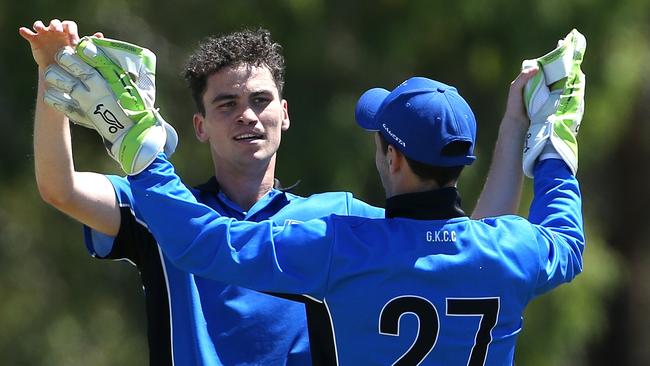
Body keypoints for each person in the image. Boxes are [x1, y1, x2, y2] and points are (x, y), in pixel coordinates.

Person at [20, 19, 523, 365]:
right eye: (226, 104)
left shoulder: (339, 218)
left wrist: (516, 125)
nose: (246, 114)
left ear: (285, 114)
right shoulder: (164, 206)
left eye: (261, 100)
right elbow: (58, 187)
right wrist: (52, 77)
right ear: (198, 126)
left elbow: (468, 248)